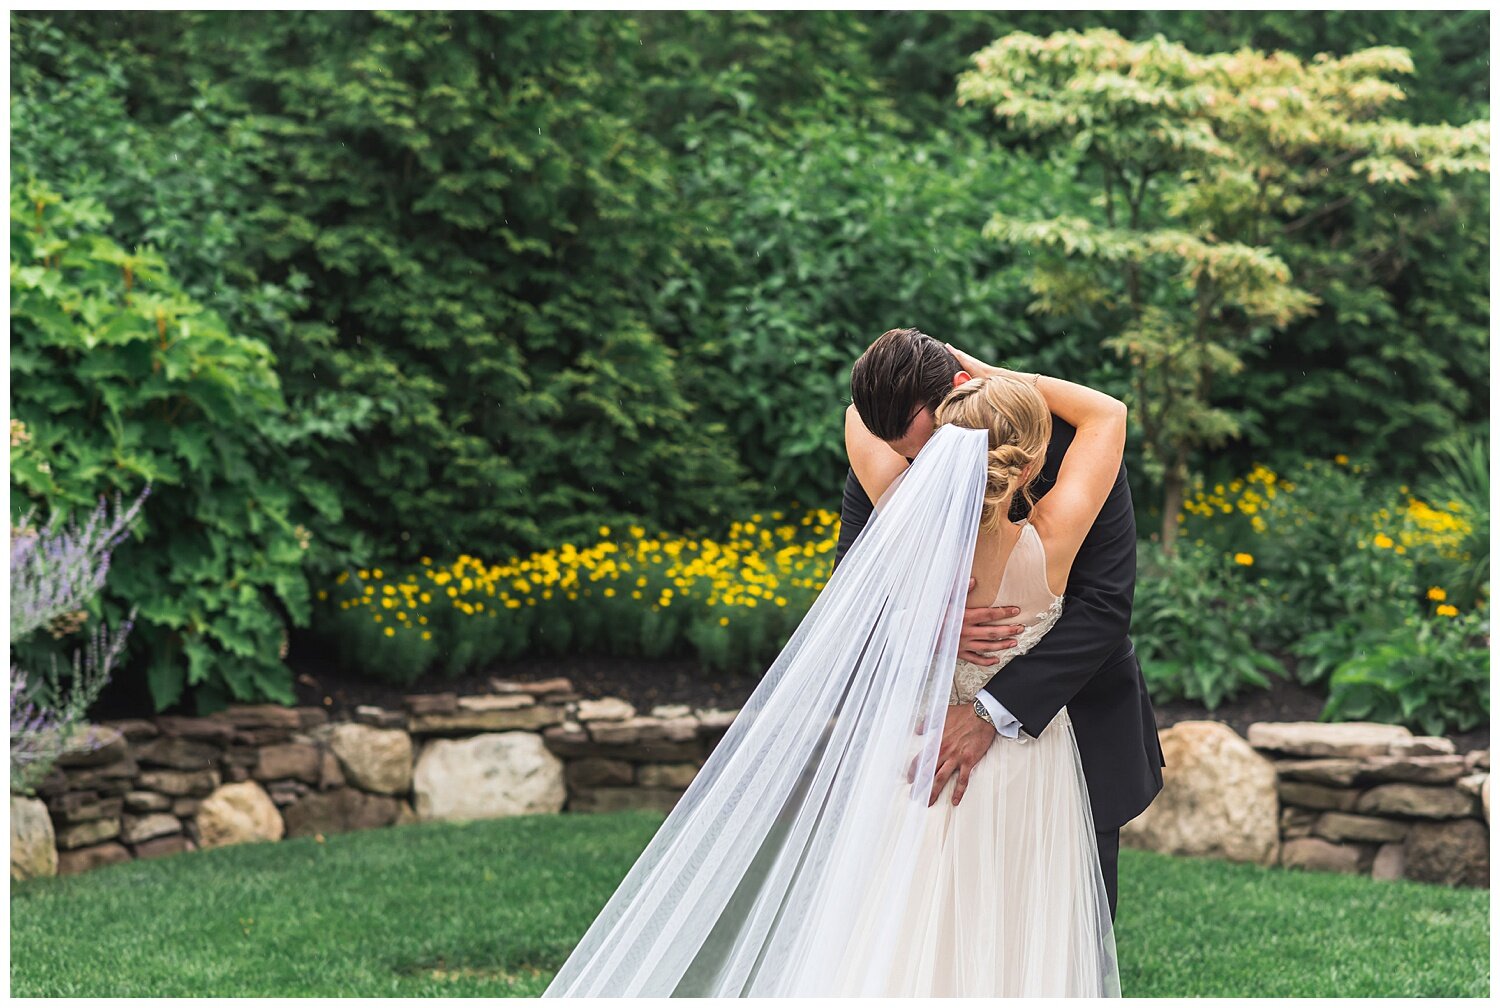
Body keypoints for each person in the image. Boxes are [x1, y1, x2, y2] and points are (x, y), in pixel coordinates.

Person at [543, 334, 1135, 996]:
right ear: (1023, 461)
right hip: (1028, 769)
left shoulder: (901, 500)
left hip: (996, 736)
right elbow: (1109, 410)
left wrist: (973, 687)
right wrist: (927, 629)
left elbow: (1106, 610)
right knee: (1032, 945)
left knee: (911, 938)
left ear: (946, 421)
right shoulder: (1052, 523)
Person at [839, 327, 1165, 921]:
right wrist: (926, 627)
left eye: (925, 449)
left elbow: (1104, 608)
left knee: (1064, 936)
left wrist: (993, 708)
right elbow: (854, 591)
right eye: (909, 457)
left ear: (960, 391)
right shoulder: (893, 443)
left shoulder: (1068, 449)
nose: (919, 470)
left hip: (1073, 729)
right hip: (928, 742)